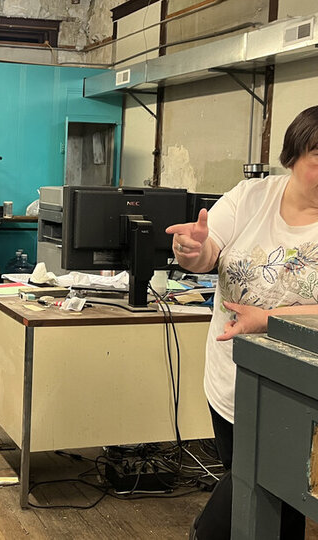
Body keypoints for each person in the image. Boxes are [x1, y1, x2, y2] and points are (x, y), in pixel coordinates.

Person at [166, 105, 318, 539]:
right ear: (293, 156)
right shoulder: (253, 196)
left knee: (272, 495)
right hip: (232, 380)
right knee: (254, 489)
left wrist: (269, 320)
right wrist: (192, 252)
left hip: (301, 389)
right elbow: (207, 247)